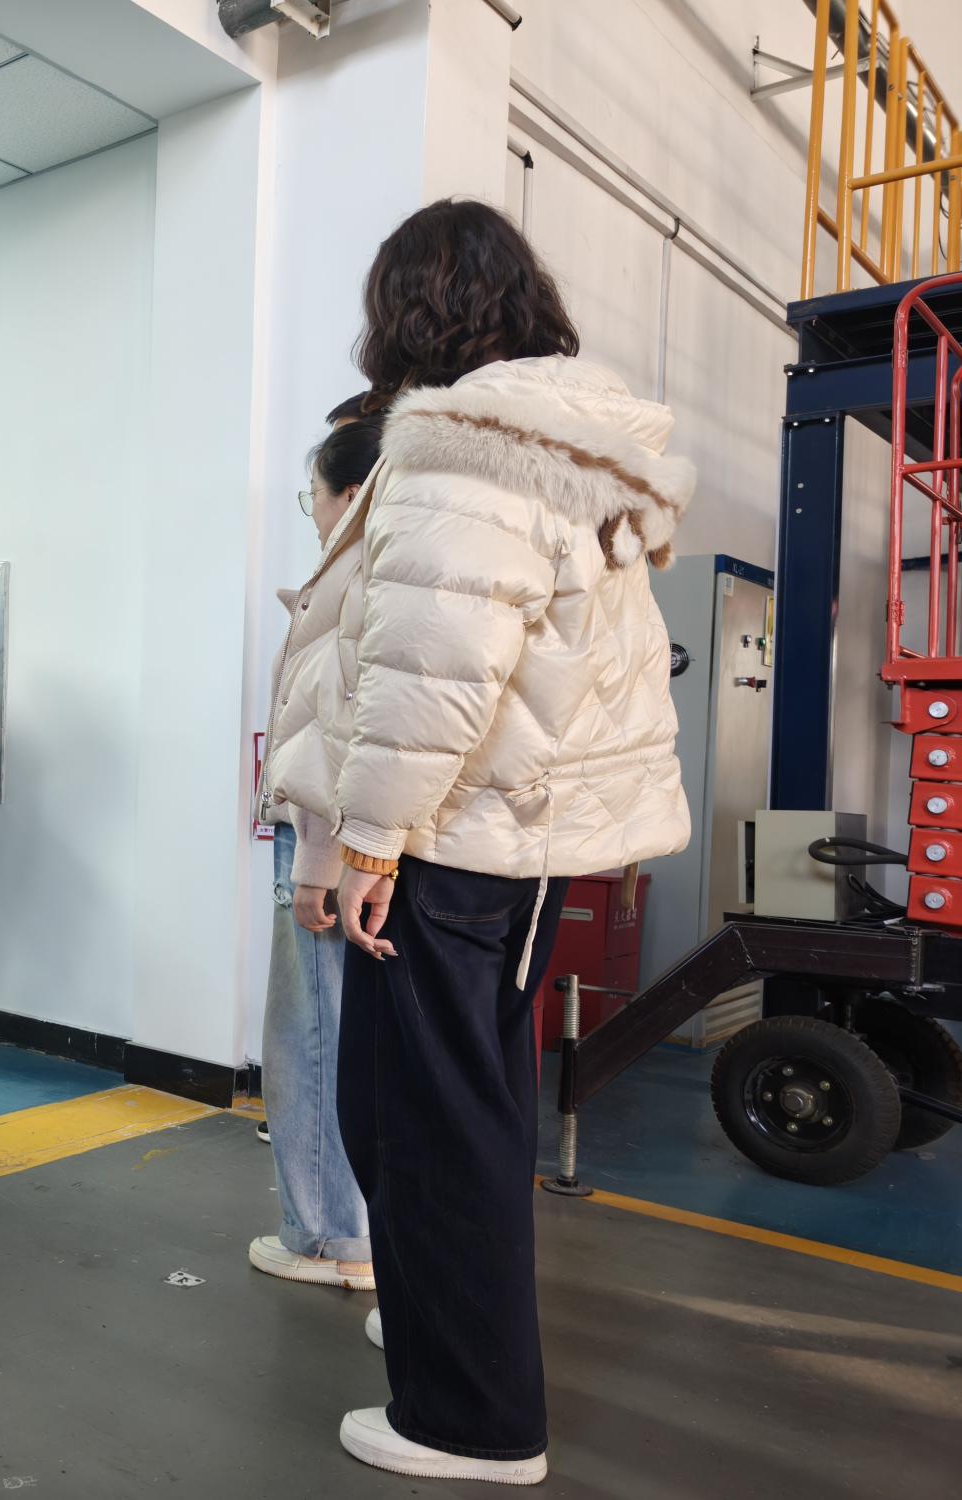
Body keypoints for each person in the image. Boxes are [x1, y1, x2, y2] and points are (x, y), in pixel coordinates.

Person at [325, 200, 692, 1483]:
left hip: (460, 837)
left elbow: (439, 664)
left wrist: (368, 842)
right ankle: (444, 1327)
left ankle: (470, 1419)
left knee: (430, 1124)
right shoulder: (570, 444)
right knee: (438, 1114)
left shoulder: (461, 449)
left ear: (407, 312)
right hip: (516, 837)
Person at [251, 416, 384, 1290]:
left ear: (349, 494)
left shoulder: (352, 578)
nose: (314, 514)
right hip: (379, 846)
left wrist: (316, 867)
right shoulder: (410, 568)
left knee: (312, 1036)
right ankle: (358, 1227)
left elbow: (337, 730)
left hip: (328, 841)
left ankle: (330, 1236)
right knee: (352, 1036)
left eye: (314, 497)